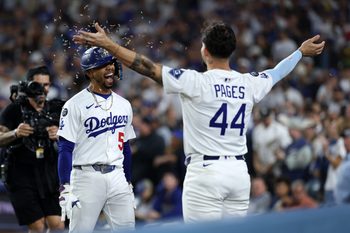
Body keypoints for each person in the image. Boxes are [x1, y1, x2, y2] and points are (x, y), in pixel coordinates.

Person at [73, 21, 325, 222]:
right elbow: (277, 71)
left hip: (205, 174)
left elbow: (147, 67)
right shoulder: (249, 83)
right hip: (238, 173)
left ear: (205, 50)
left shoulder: (195, 81)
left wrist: (110, 45)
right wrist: (299, 52)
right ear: (232, 51)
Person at [57, 47, 136, 233]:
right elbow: (65, 148)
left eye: (111, 63)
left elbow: (125, 147)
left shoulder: (124, 105)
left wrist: (129, 181)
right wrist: (65, 186)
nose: (109, 68)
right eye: (102, 65)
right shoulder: (74, 105)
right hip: (86, 177)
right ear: (90, 72)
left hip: (117, 176)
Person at [0, 65, 64, 232]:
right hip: (20, 175)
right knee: (37, 225)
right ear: (28, 85)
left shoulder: (56, 108)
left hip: (48, 174)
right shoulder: (13, 110)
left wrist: (61, 134)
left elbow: (79, 134)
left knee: (57, 224)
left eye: (47, 85)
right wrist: (15, 133)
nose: (42, 90)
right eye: (37, 84)